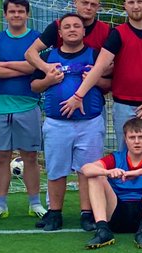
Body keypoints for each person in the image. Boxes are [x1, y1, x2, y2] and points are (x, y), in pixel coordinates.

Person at [61, 0, 142, 151]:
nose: (135, 6)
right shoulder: (117, 34)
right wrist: (78, 96)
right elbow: (99, 67)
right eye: (131, 2)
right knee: (125, 158)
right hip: (124, 107)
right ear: (125, 6)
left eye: (139, 1)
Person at [30, 13, 109, 232]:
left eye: (77, 26)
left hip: (90, 123)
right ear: (60, 32)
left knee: (88, 171)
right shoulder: (48, 57)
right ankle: (55, 213)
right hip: (57, 124)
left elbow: (108, 84)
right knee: (56, 170)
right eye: (67, 26)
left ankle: (87, 213)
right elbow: (34, 86)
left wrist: (94, 79)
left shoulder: (96, 55)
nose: (72, 29)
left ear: (84, 31)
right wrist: (48, 80)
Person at [0, 0, 46, 222]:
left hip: (28, 104)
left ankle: (35, 204)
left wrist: (6, 64)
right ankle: (0, 205)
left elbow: (37, 68)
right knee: (1, 157)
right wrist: (24, 67)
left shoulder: (38, 39)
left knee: (30, 156)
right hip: (0, 106)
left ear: (27, 14)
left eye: (20, 11)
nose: (16, 15)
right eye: (12, 11)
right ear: (5, 14)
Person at [79, 118, 142, 250]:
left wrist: (138, 172)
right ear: (125, 139)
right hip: (117, 212)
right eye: (132, 137)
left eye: (141, 137)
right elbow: (86, 169)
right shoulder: (116, 157)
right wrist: (107, 172)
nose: (136, 141)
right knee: (95, 175)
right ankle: (103, 230)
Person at [25, 0, 112, 67]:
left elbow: (112, 65)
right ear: (75, 2)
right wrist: (47, 68)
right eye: (85, 3)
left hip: (91, 81)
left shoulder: (106, 31)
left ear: (98, 7)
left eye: (93, 4)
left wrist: (95, 73)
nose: (88, 7)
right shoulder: (57, 26)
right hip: (60, 80)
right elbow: (30, 53)